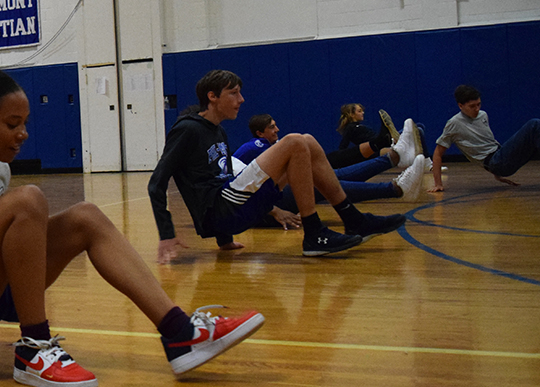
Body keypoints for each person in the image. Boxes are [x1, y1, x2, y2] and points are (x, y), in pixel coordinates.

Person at [0, 68, 264, 387]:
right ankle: (35, 346)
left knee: (86, 216)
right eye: (12, 124)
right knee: (28, 200)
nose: (23, 134)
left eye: (24, 123)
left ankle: (179, 332)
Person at [148, 69, 408, 262]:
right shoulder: (187, 130)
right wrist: (166, 233)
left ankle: (353, 219)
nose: (242, 99)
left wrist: (224, 240)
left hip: (232, 210)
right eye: (234, 93)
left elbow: (219, 175)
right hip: (221, 208)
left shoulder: (218, 131)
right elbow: (156, 183)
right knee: (294, 141)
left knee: (307, 142)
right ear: (212, 96)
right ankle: (314, 233)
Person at [234, 113, 425, 230]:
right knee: (317, 179)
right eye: (272, 127)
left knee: (325, 174)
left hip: (260, 202)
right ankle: (394, 183)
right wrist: (274, 210)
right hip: (259, 209)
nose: (277, 129)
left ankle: (394, 158)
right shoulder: (256, 145)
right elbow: (237, 194)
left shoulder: (252, 146)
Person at [429, 84, 540, 192]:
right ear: (460, 106)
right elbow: (438, 153)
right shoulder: (454, 123)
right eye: (472, 106)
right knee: (534, 125)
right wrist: (438, 184)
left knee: (535, 138)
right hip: (496, 162)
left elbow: (487, 145)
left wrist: (498, 175)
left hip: (500, 158)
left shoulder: (483, 115)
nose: (477, 109)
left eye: (479, 104)